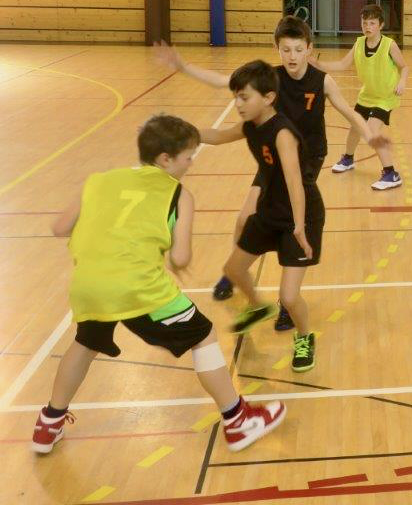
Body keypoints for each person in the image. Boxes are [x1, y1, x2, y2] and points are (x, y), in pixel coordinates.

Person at [33, 115, 286, 455]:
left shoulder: (99, 180)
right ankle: (238, 420)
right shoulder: (179, 194)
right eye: (188, 157)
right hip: (139, 288)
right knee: (204, 335)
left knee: (85, 343)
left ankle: (49, 423)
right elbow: (180, 257)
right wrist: (177, 259)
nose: (191, 163)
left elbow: (60, 227)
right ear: (166, 159)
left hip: (88, 286)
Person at [155, 17, 384, 317]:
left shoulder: (322, 81)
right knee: (243, 219)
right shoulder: (270, 79)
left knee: (290, 220)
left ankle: (288, 300)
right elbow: (223, 81)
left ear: (309, 49)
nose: (292, 56)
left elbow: (349, 113)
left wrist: (370, 136)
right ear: (277, 49)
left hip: (307, 159)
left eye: (298, 49)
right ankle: (235, 272)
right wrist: (183, 67)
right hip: (272, 155)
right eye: (285, 50)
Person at [199, 61, 327, 373]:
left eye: (244, 97)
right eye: (236, 97)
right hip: (270, 210)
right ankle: (257, 307)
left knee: (289, 297)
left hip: (301, 215)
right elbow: (216, 136)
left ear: (268, 98)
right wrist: (174, 131)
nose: (238, 104)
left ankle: (304, 336)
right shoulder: (250, 126)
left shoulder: (282, 133)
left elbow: (295, 182)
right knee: (233, 269)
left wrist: (300, 227)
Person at [312, 4, 408, 189]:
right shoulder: (359, 43)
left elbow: (404, 67)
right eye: (364, 23)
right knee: (355, 127)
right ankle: (348, 159)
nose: (367, 27)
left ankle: (391, 174)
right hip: (367, 95)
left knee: (372, 130)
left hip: (385, 97)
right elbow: (342, 64)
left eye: (372, 23)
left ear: (381, 25)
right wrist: (318, 64)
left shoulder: (389, 45)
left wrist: (402, 81)